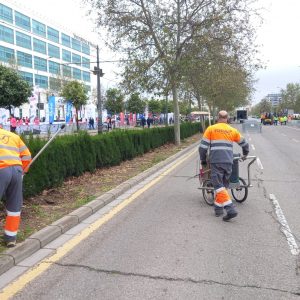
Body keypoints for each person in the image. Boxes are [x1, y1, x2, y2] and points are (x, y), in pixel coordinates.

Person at [199, 110, 249, 221]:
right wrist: (245, 154)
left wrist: (203, 160)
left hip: (216, 162)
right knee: (223, 187)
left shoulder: (211, 129)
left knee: (218, 186)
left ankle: (230, 209)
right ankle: (218, 209)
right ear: (227, 118)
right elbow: (245, 144)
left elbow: (202, 148)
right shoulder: (232, 130)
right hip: (229, 162)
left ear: (218, 117)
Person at [0, 127, 32, 247]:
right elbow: (27, 156)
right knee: (14, 205)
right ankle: (10, 238)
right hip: (17, 170)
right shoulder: (13, 136)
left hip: (1, 170)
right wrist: (23, 171)